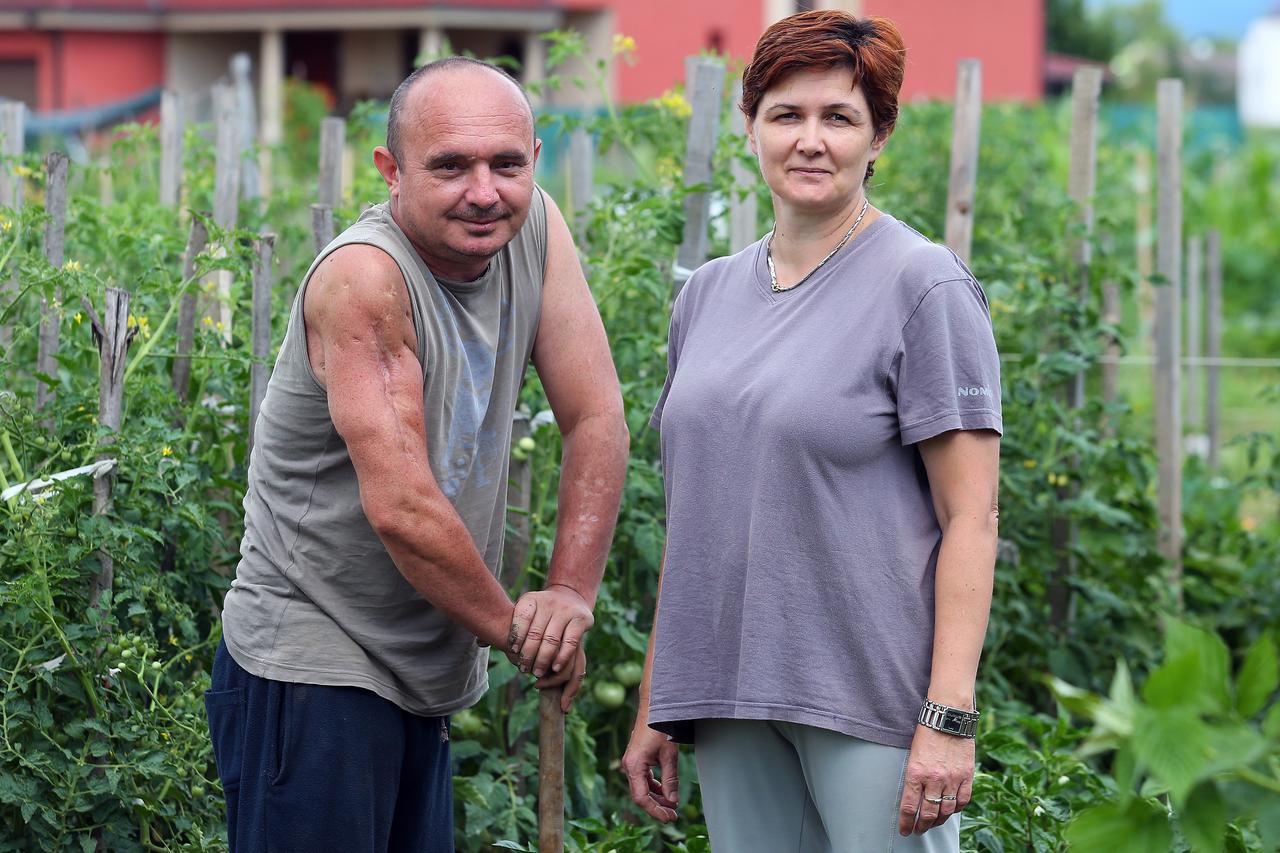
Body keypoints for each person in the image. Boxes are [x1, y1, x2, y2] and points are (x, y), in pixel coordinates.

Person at [205, 57, 629, 853]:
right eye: (450, 166)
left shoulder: (533, 225)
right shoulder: (365, 280)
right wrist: (519, 632)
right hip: (313, 662)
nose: (484, 190)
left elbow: (597, 414)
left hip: (422, 664)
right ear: (391, 172)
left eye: (506, 164)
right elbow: (402, 507)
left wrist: (570, 593)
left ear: (535, 161)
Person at [621, 11, 1002, 852]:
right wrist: (659, 693)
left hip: (868, 696)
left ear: (880, 136)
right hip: (727, 693)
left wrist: (948, 714)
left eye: (840, 117)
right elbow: (699, 512)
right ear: (750, 124)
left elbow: (971, 518)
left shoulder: (923, 284)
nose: (810, 140)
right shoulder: (707, 295)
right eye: (787, 114)